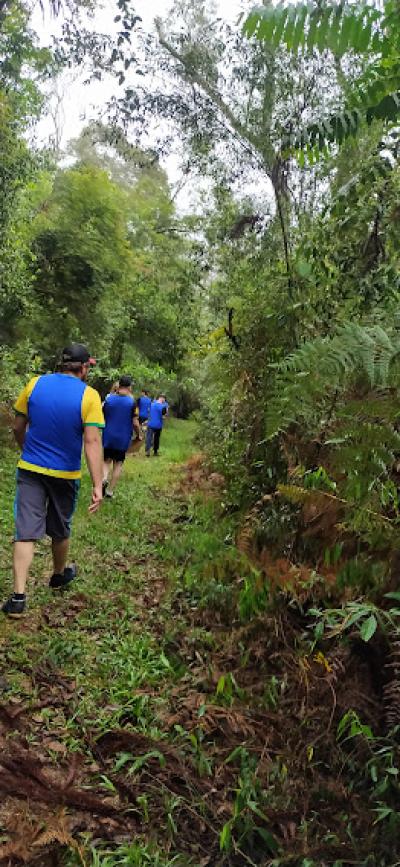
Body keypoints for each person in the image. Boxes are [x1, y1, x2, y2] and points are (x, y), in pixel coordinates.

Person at [2, 343, 104, 619]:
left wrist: (27, 451)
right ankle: (59, 575)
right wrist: (98, 484)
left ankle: (18, 597)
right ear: (83, 368)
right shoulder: (90, 396)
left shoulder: (35, 384)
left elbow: (17, 426)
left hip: (30, 469)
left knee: (25, 530)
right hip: (65, 475)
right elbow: (92, 441)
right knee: (60, 528)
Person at [102, 375, 136, 498]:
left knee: (106, 461)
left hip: (109, 435)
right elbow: (135, 422)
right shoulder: (131, 402)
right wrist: (139, 434)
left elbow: (102, 415)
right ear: (129, 387)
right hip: (123, 438)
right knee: (118, 463)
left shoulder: (109, 399)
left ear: (119, 385)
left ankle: (103, 479)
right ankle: (110, 492)